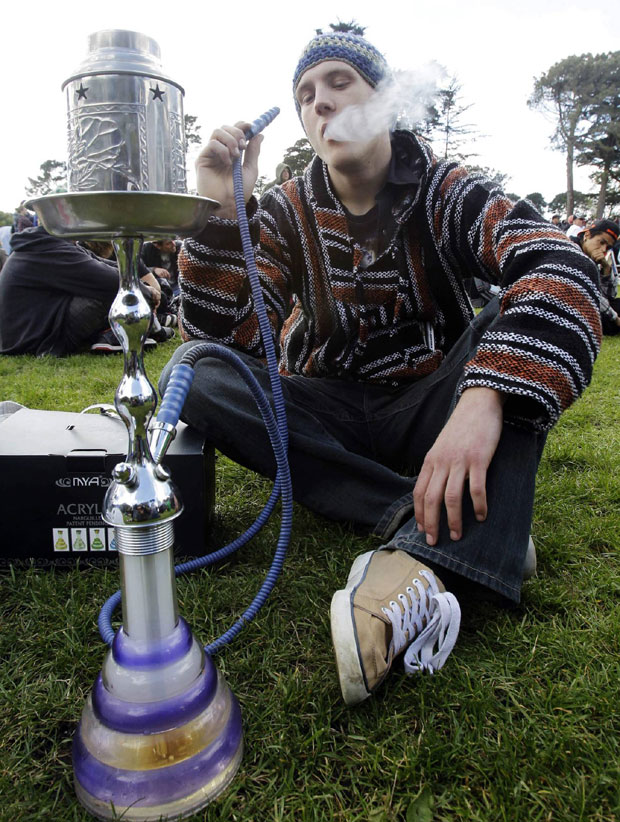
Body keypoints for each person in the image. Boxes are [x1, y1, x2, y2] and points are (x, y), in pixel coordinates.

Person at [160, 32, 602, 706]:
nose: (320, 103)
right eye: (305, 95)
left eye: (339, 82)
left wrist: (483, 396)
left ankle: (419, 555)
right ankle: (440, 519)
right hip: (326, 412)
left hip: (434, 409)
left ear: (384, 98)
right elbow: (226, 339)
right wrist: (221, 210)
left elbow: (560, 264)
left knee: (508, 337)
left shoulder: (447, 190)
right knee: (195, 368)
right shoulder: (283, 209)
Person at [0, 225, 164, 356]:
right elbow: (106, 280)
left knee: (117, 288)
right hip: (34, 339)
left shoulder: (48, 243)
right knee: (113, 292)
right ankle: (116, 335)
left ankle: (139, 328)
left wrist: (142, 283)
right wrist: (145, 291)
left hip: (30, 331)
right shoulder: (47, 249)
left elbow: (101, 264)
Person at [570, 218, 620, 335]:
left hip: (588, 305)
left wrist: (606, 270)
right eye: (601, 242)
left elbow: (610, 296)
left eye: (607, 247)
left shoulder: (594, 257)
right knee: (606, 319)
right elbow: (590, 294)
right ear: (587, 235)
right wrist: (615, 318)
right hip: (572, 304)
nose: (603, 249)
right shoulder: (572, 252)